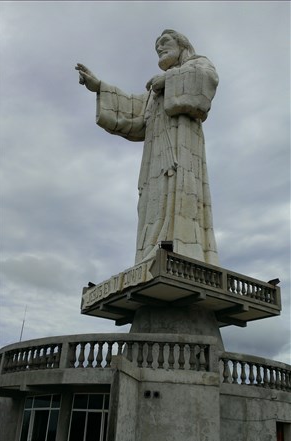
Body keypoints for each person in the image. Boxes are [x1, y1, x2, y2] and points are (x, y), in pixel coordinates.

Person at [76, 29, 220, 266]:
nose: (160, 48)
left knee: (181, 196)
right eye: (157, 47)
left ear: (182, 44)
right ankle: (151, 256)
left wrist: (169, 80)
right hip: (154, 161)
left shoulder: (198, 64)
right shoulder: (155, 92)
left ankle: (184, 255)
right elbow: (133, 111)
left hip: (180, 152)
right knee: (151, 204)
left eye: (165, 43)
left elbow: (207, 80)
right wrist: (99, 86)